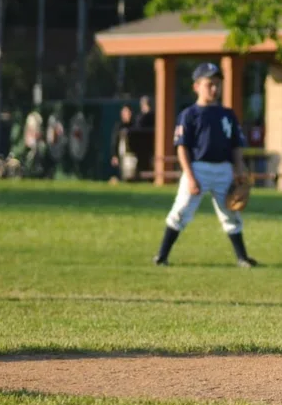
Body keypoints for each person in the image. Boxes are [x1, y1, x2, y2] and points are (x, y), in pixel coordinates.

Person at [152, 63, 258, 268]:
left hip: (223, 168)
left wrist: (239, 169)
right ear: (196, 87)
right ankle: (162, 255)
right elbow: (182, 148)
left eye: (217, 84)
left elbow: (236, 145)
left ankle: (242, 257)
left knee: (231, 212)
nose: (214, 89)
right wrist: (190, 177)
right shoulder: (189, 114)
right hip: (198, 168)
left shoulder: (227, 114)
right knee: (182, 209)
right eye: (209, 84)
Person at [110, 105, 134, 178]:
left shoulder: (134, 125)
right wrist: (114, 155)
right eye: (125, 112)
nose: (127, 114)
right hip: (122, 154)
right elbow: (114, 141)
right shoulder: (119, 126)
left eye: (128, 112)